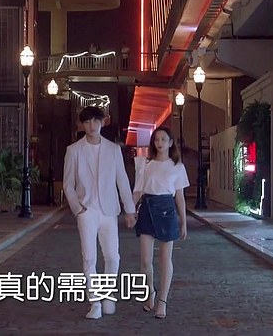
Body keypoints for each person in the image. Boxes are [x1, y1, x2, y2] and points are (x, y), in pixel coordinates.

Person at [63, 106, 137, 320]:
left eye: (96, 121)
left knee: (113, 256)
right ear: (82, 124)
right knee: (89, 258)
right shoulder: (74, 150)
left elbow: (122, 180)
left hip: (109, 210)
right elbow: (68, 184)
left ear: (103, 122)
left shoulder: (113, 150)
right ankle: (94, 302)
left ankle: (107, 294)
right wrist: (78, 208)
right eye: (87, 122)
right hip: (87, 210)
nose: (92, 125)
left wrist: (129, 210)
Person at [132, 126, 189, 319]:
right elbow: (138, 190)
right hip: (147, 208)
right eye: (156, 139)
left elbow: (180, 197)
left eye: (164, 139)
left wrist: (183, 222)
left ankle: (162, 301)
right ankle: (150, 292)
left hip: (167, 209)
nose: (160, 143)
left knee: (165, 258)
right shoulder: (146, 164)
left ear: (171, 142)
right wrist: (130, 210)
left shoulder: (177, 166)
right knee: (145, 260)